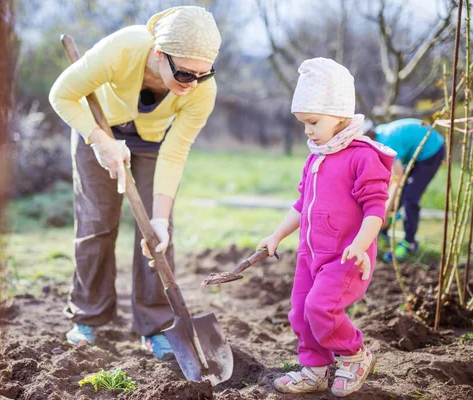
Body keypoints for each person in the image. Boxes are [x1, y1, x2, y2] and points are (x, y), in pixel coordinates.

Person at [48, 6, 221, 359]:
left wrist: (159, 219)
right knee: (97, 224)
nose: (192, 84)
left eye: (202, 75)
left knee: (157, 237)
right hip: (98, 128)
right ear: (160, 54)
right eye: (185, 74)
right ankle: (87, 317)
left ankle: (155, 325)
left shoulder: (202, 90)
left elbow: (175, 153)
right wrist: (99, 141)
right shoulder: (123, 48)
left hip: (153, 143)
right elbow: (61, 94)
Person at [256, 58, 395, 397]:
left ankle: (354, 355)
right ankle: (315, 369)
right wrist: (276, 235)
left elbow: (376, 208)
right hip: (310, 254)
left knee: (321, 308)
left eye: (313, 121)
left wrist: (361, 245)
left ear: (340, 115)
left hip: (346, 255)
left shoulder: (362, 156)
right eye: (303, 122)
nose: (307, 130)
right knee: (301, 313)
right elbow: (302, 205)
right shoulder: (316, 157)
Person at [362, 119, 445, 262]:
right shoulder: (380, 135)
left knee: (409, 198)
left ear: (368, 136)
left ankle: (409, 242)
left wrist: (385, 211)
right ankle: (383, 231)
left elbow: (397, 180)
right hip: (416, 150)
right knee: (398, 196)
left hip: (431, 151)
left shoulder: (387, 141)